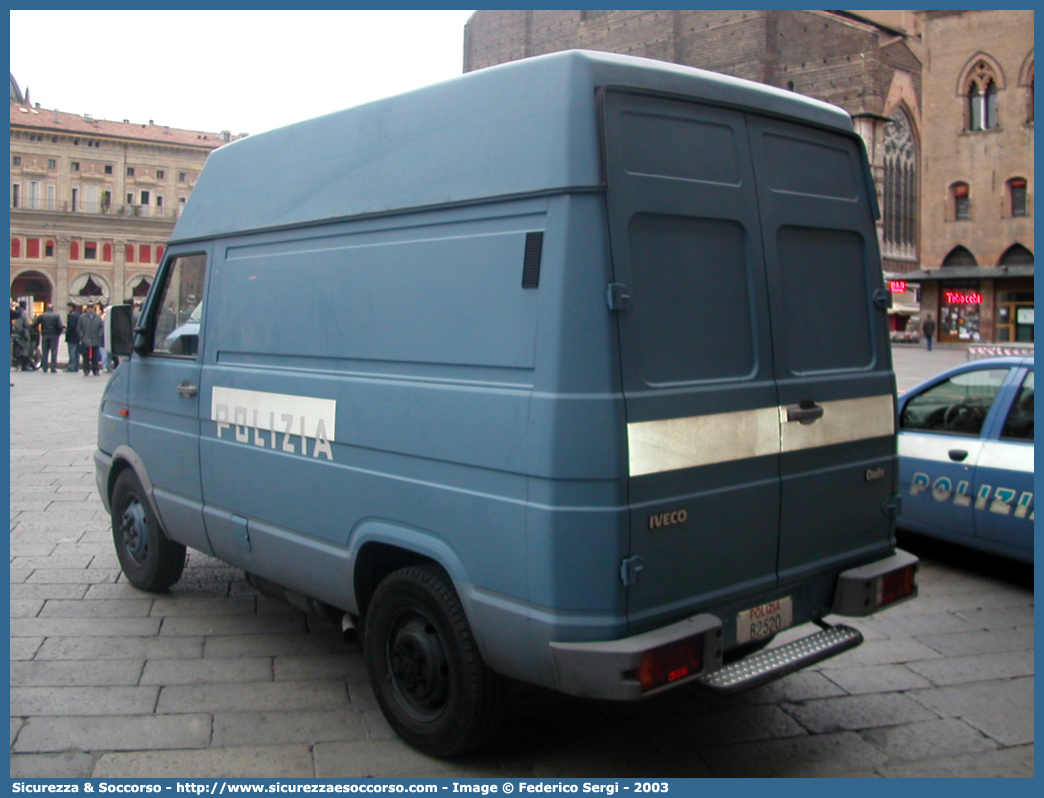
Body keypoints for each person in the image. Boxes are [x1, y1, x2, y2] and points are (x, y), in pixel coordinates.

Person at [33, 303, 65, 373]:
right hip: (54, 334)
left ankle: (45, 367)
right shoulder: (56, 316)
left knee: (45, 351)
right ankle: (53, 367)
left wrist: (38, 331)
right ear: (52, 309)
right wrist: (58, 334)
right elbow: (60, 326)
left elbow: (35, 324)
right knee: (54, 351)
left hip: (45, 334)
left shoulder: (43, 315)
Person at [77, 304, 104, 376]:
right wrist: (82, 336)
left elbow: (101, 327)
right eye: (89, 308)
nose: (90, 309)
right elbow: (79, 327)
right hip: (86, 339)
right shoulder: (82, 317)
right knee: (85, 356)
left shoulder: (98, 317)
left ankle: (95, 370)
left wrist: (100, 335)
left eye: (91, 308)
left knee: (95, 356)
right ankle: (86, 370)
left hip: (95, 339)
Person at [10, 301, 33, 371]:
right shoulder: (22, 314)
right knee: (24, 349)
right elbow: (18, 325)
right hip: (24, 334)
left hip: (25, 333)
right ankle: (24, 365)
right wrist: (22, 332)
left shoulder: (23, 313)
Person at [64, 302, 81, 372]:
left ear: (71, 307)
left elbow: (71, 327)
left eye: (68, 307)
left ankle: (71, 367)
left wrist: (67, 334)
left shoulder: (73, 315)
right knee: (77, 353)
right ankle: (76, 366)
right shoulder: (78, 314)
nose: (67, 308)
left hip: (72, 337)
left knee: (72, 352)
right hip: (77, 336)